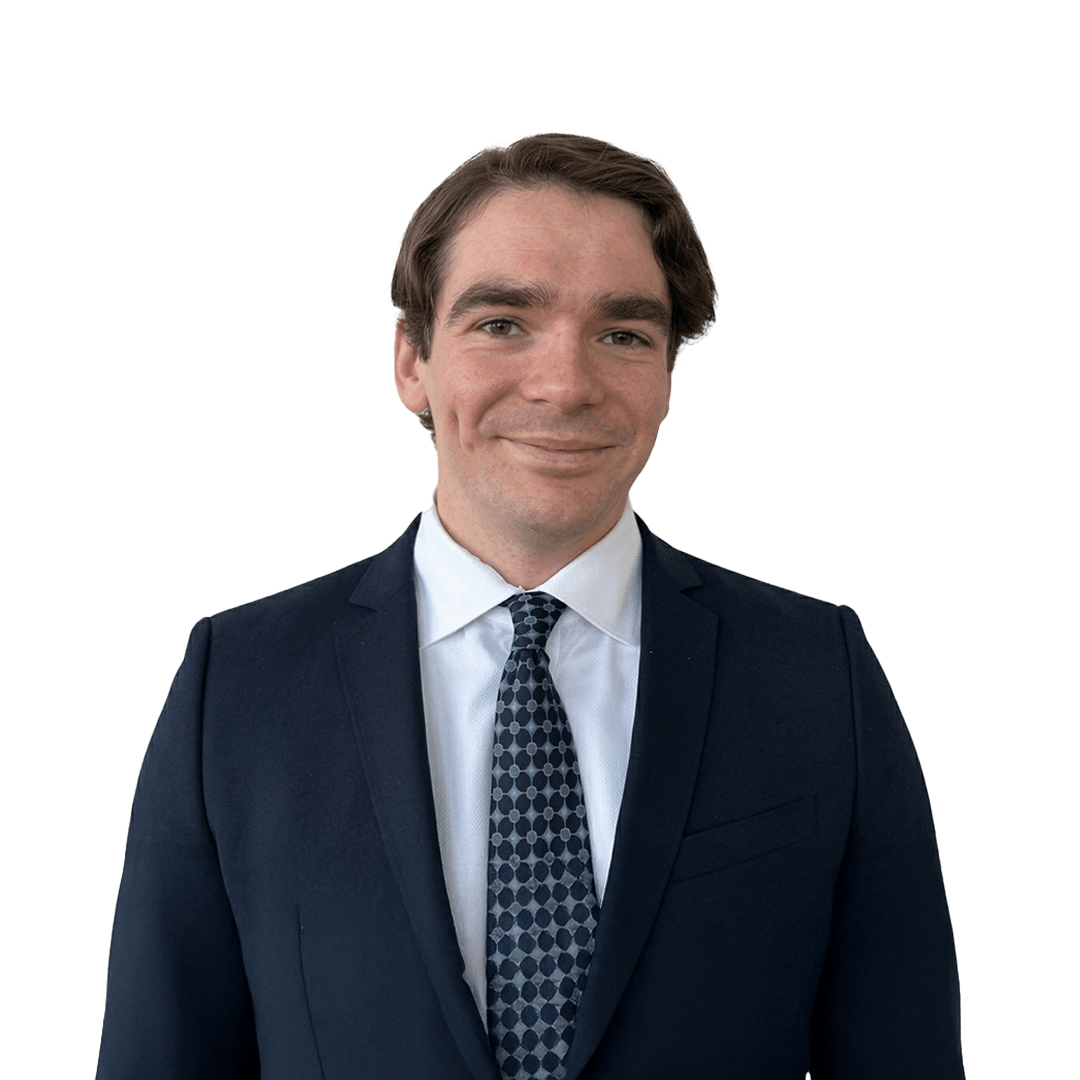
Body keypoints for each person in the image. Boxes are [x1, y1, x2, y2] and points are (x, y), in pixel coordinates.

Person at [98, 132, 964, 1079]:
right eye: (503, 323)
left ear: (668, 375)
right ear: (411, 359)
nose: (565, 385)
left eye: (623, 334)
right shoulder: (240, 683)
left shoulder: (816, 672)